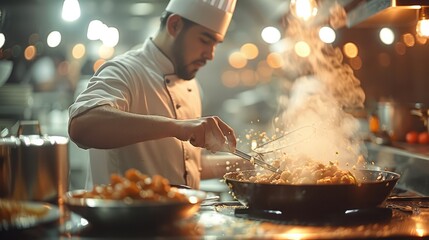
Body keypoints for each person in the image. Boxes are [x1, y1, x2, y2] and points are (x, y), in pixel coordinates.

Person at [68, 0, 238, 189]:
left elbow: (190, 166)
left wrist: (252, 164)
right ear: (174, 25)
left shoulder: (192, 85)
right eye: (205, 41)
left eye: (216, 44)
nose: (211, 55)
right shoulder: (125, 70)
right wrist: (178, 128)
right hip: (122, 215)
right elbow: (81, 126)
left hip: (181, 216)